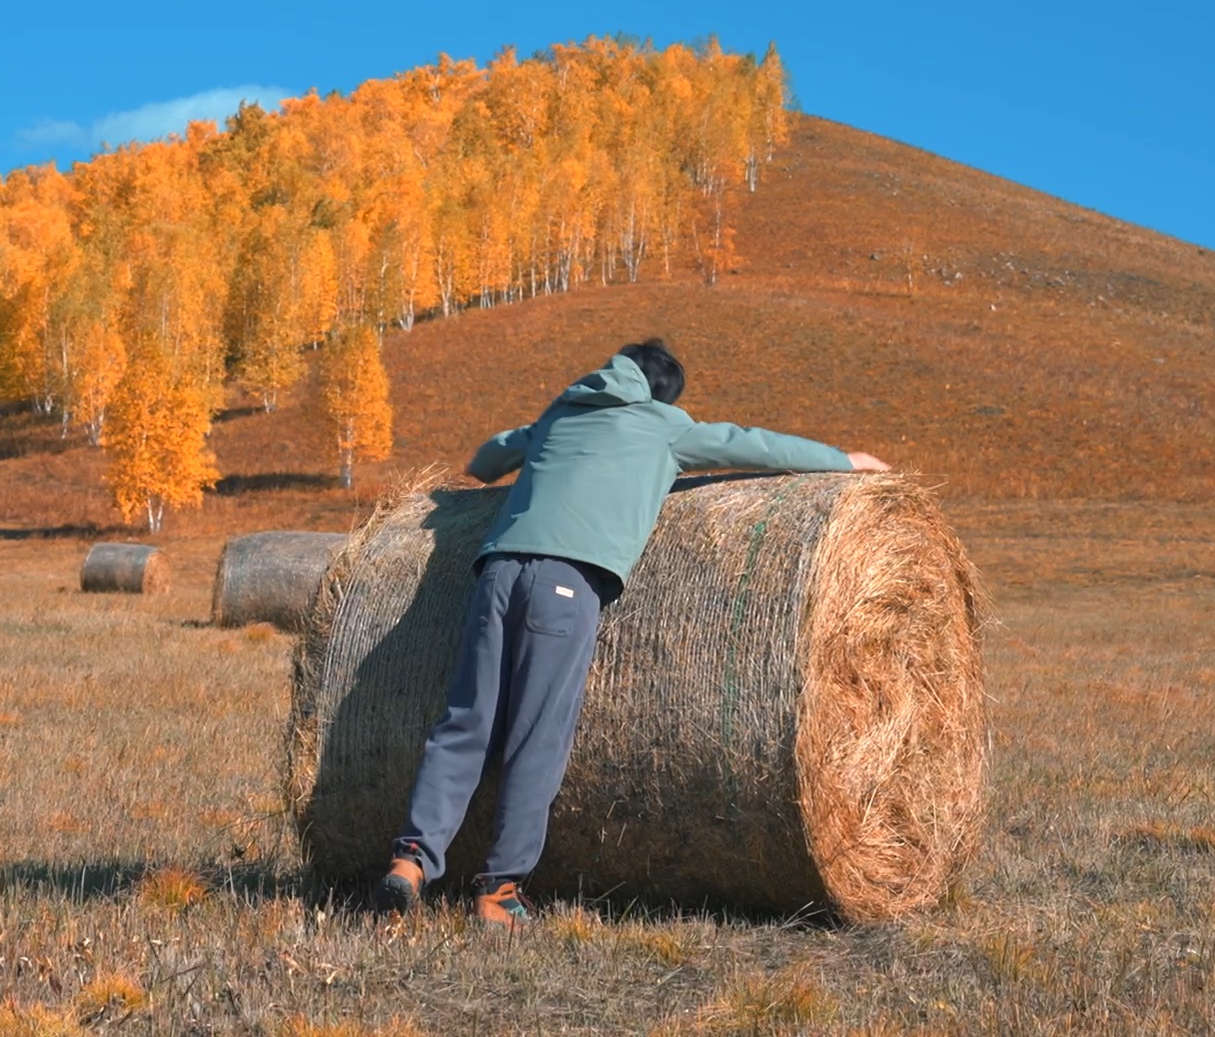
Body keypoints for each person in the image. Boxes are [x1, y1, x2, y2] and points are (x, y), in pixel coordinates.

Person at [378, 338, 890, 928]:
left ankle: (410, 861)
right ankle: (499, 892)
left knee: (466, 719)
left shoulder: (562, 411)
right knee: (536, 736)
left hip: (496, 571)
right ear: (665, 395)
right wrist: (845, 462)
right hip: (565, 582)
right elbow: (750, 444)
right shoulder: (664, 424)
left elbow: (487, 460)